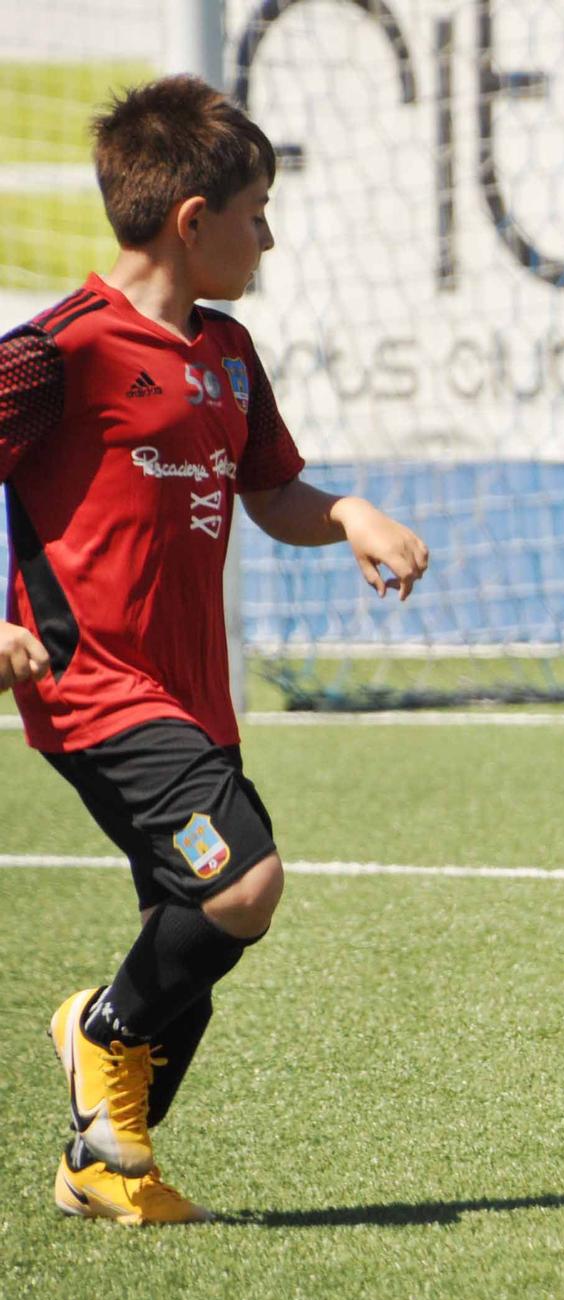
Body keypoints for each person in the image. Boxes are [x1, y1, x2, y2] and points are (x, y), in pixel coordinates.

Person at [0, 76, 430, 1224]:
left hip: (193, 697)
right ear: (192, 220)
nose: (270, 234)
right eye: (256, 210)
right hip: (93, 686)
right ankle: (96, 1028)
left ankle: (101, 1160)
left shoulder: (229, 353)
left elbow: (272, 489)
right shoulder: (58, 351)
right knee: (241, 879)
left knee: (185, 927)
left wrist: (345, 512)